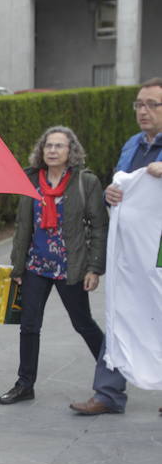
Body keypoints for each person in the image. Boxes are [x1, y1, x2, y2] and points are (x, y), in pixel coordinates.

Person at [70, 77, 162, 415]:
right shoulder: (132, 145)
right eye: (139, 103)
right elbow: (119, 184)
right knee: (121, 307)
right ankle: (108, 393)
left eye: (153, 104)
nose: (144, 111)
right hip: (129, 248)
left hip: (159, 248)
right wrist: (112, 193)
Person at [0, 126, 108, 406]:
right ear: (41, 150)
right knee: (29, 325)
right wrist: (18, 267)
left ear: (71, 151)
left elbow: (98, 226)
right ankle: (25, 384)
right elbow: (23, 226)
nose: (53, 151)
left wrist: (94, 268)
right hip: (36, 265)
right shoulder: (30, 179)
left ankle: (113, 374)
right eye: (48, 146)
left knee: (83, 323)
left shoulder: (85, 181)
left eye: (59, 146)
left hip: (70, 266)